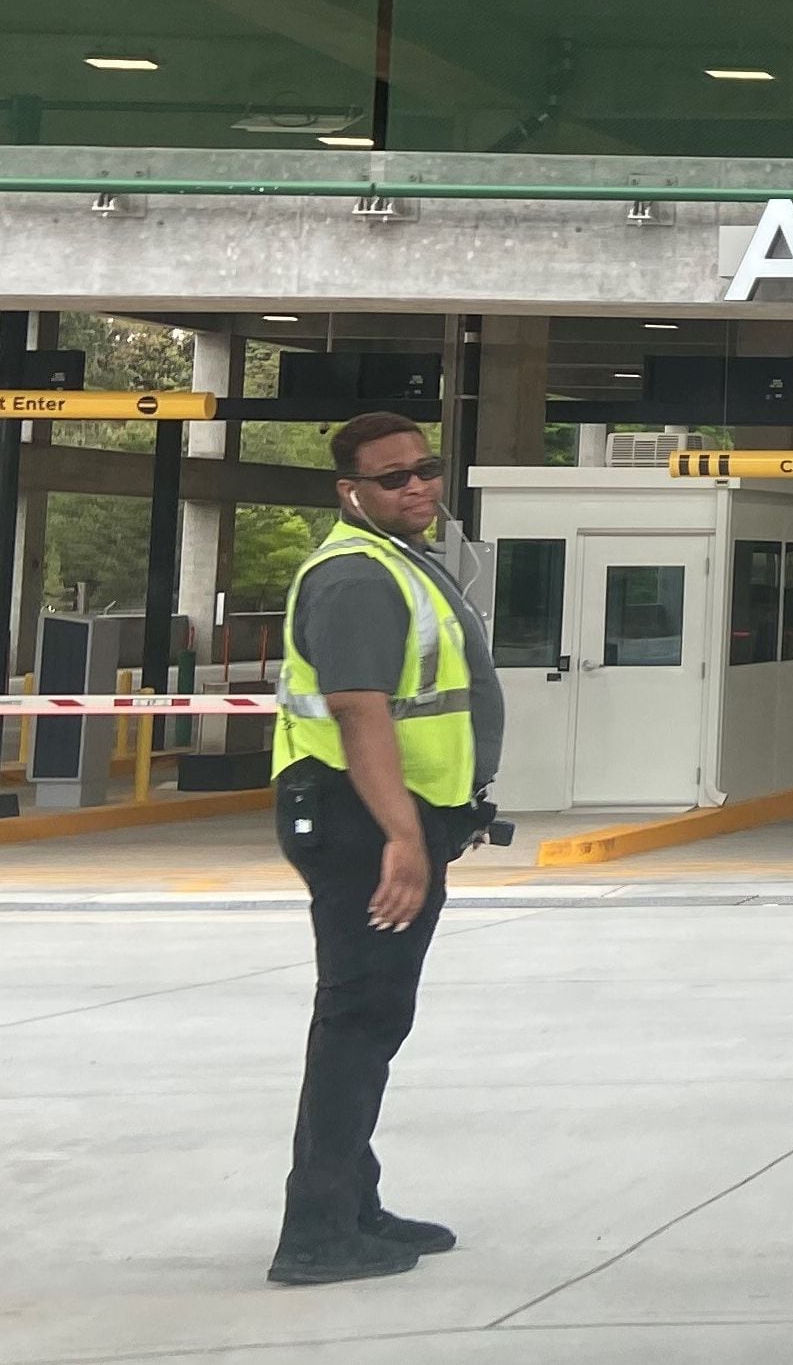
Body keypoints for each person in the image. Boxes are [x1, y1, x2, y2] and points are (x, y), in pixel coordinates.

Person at [265, 411, 506, 1286]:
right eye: (393, 477)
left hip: (382, 817)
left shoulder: (399, 565)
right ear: (351, 492)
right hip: (359, 821)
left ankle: (352, 1204)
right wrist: (405, 839)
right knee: (358, 1020)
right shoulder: (358, 577)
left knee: (369, 1018)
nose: (417, 487)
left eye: (425, 469)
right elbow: (361, 714)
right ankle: (318, 1235)